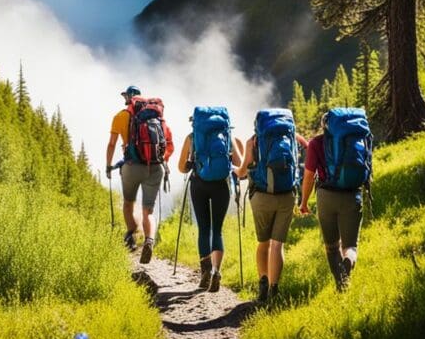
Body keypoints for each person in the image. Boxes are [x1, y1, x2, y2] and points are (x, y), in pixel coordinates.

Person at [236, 120, 307, 303]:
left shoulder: (253, 142)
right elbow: (309, 147)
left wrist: (236, 170)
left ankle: (263, 286)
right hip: (287, 196)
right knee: (277, 245)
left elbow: (243, 171)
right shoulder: (292, 137)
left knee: (264, 242)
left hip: (261, 197)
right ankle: (274, 292)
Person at [105, 85, 172, 264]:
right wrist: (160, 160)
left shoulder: (120, 116)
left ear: (129, 98)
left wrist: (108, 165)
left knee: (128, 203)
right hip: (155, 168)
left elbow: (112, 144)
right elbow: (169, 145)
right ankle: (149, 240)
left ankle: (130, 235)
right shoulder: (158, 118)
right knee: (148, 210)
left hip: (132, 166)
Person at [300, 113, 365, 291]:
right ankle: (348, 263)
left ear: (324, 126)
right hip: (352, 195)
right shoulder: (357, 140)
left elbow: (308, 178)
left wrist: (304, 202)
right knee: (350, 246)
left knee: (331, 246)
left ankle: (341, 284)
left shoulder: (316, 143)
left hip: (326, 197)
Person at [178, 120, 243, 292]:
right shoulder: (229, 136)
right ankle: (216, 271)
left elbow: (181, 168)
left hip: (198, 184)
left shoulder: (192, 137)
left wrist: (193, 164)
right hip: (221, 185)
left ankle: (205, 271)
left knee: (204, 229)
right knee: (217, 229)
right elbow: (239, 163)